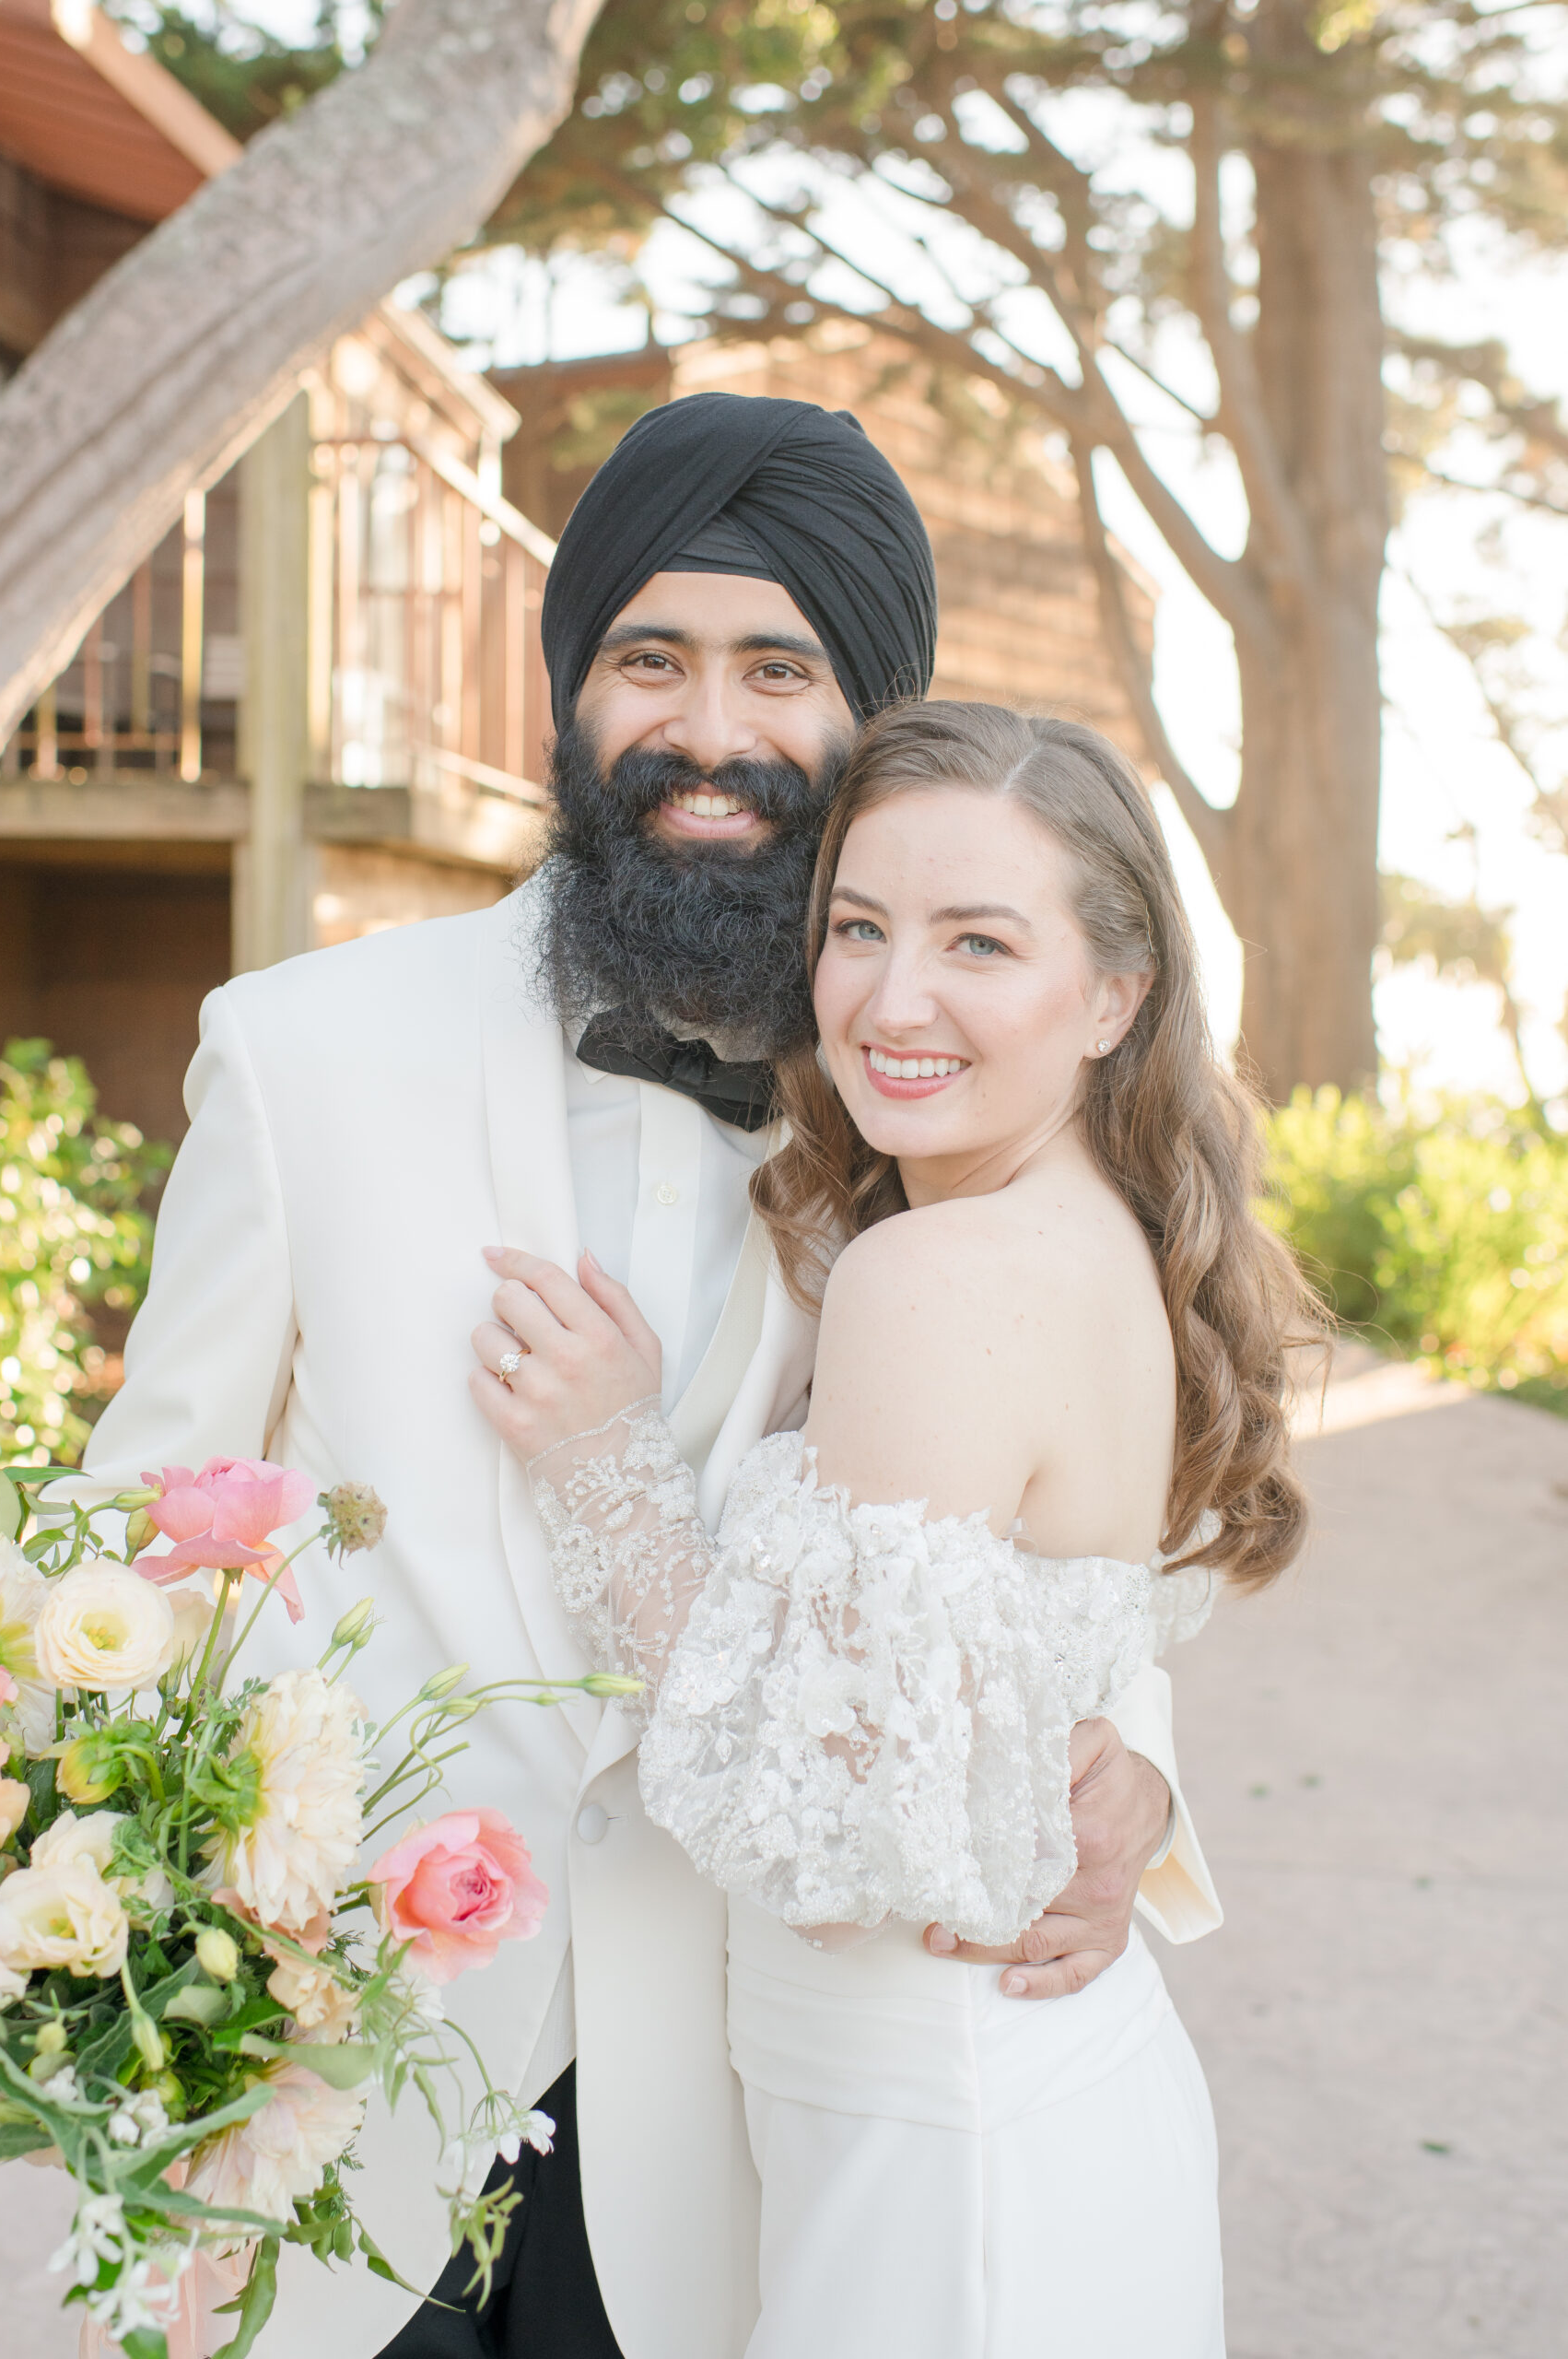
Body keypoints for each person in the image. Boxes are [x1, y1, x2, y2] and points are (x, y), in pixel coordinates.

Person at [78, 397, 1221, 2359]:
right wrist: (141, 2054)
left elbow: (1020, 1537)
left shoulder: (922, 1097)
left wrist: (1134, 1788)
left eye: (779, 670)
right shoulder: (298, 1052)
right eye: (647, 658)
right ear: (568, 688)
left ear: (873, 723)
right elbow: (145, 1549)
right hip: (338, 2096)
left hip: (741, 2132)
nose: (710, 728)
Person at [471, 699, 1315, 2355]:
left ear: (1115, 996)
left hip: (948, 2156)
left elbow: (830, 1844)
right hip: (991, 2106)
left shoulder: (938, 1276)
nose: (891, 998)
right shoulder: (1077, 1229)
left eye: (979, 943)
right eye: (857, 927)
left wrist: (602, 1462)